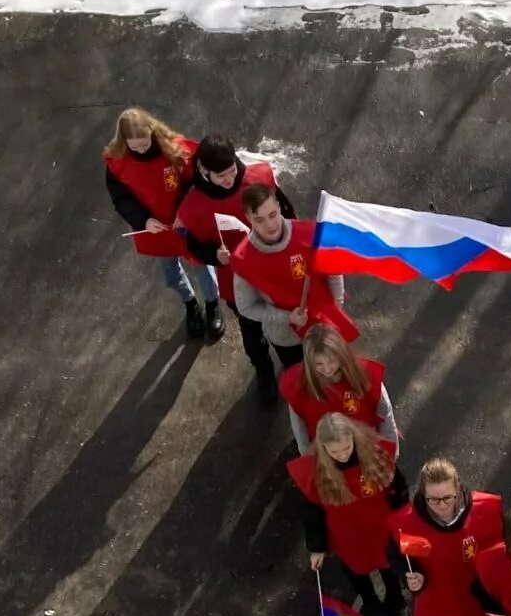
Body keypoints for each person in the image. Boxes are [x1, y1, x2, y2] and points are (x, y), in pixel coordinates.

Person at [175, 134, 296, 398]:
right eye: (221, 177)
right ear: (204, 171)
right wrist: (214, 255)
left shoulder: (258, 178)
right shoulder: (193, 203)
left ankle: (292, 368)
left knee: (285, 321)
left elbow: (286, 213)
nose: (229, 180)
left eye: (231, 171)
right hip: (235, 279)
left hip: (273, 268)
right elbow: (193, 245)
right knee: (251, 329)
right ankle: (263, 371)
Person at [286, 413, 410, 616]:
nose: (342, 456)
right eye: (334, 452)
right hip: (347, 536)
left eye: (346, 448)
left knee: (389, 567)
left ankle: (396, 600)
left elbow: (398, 489)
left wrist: (405, 522)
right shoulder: (315, 472)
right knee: (356, 572)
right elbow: (311, 513)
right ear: (323, 449)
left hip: (381, 530)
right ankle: (371, 603)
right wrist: (317, 547)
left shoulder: (376, 455)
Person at [391, 457, 507, 616]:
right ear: (423, 494)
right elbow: (396, 557)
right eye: (433, 499)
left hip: (480, 592)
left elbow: (505, 548)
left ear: (458, 488)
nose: (441, 505)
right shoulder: (406, 522)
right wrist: (410, 576)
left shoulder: (485, 510)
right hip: (439, 595)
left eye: (447, 497)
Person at [103, 107, 220, 338]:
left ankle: (212, 304)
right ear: (124, 141)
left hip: (185, 222)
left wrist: (186, 211)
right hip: (155, 228)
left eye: (144, 143)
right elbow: (121, 199)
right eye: (134, 146)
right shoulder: (117, 162)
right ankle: (190, 303)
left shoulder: (174, 150)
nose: (140, 149)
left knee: (202, 266)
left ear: (152, 132)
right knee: (171, 272)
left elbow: (196, 183)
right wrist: (143, 221)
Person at [232, 182, 358, 374]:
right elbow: (246, 307)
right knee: (300, 379)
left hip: (325, 325)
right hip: (287, 338)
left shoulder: (308, 234)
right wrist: (286, 317)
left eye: (272, 215)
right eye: (259, 220)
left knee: (334, 374)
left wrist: (336, 309)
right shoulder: (243, 259)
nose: (270, 225)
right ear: (248, 218)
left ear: (279, 206)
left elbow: (333, 271)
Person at [280, 324, 399, 452]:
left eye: (331, 361)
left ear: (341, 354)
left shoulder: (364, 374)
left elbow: (384, 411)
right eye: (318, 364)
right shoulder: (298, 385)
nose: (327, 369)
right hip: (329, 451)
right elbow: (299, 426)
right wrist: (306, 456)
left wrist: (391, 448)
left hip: (364, 445)